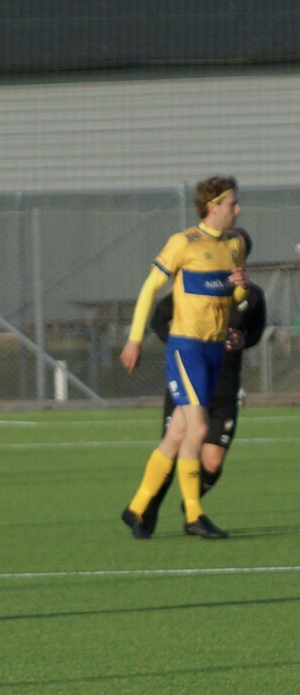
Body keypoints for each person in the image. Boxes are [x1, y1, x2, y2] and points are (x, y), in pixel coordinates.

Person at [119, 176, 249, 540]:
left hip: (214, 349)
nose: (238, 210)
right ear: (213, 207)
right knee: (198, 429)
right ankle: (194, 514)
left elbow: (235, 299)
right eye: (232, 204)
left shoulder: (235, 244)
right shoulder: (183, 243)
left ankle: (136, 508)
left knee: (178, 431)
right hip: (186, 347)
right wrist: (134, 339)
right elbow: (149, 288)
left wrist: (241, 287)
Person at [140, 228, 267, 534]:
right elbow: (158, 317)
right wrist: (180, 347)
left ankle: (191, 507)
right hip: (189, 375)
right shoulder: (197, 284)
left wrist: (243, 340)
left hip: (224, 384)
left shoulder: (252, 295)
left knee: (212, 462)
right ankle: (147, 512)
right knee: (175, 445)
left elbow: (256, 334)